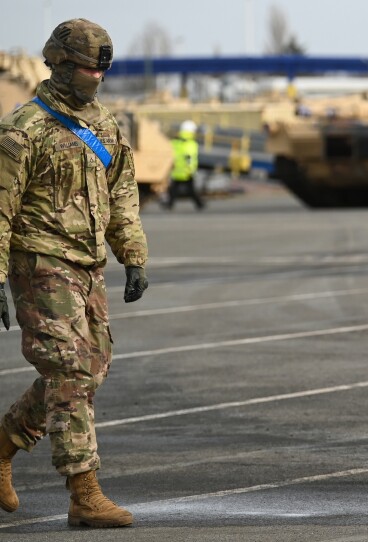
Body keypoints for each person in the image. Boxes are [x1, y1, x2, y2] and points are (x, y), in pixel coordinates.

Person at [0, 18, 149, 528]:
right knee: (67, 369)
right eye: (89, 68)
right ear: (60, 64)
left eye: (103, 69)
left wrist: (133, 255)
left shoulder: (105, 126)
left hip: (89, 267)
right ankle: (84, 493)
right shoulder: (23, 130)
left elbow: (122, 193)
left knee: (91, 368)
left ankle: (3, 443)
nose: (97, 78)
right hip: (39, 262)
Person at [166, 119, 204, 210]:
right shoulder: (191, 144)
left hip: (176, 171)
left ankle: (170, 204)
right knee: (190, 190)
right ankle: (199, 205)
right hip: (187, 172)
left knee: (174, 190)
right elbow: (190, 159)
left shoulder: (174, 142)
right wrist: (191, 170)